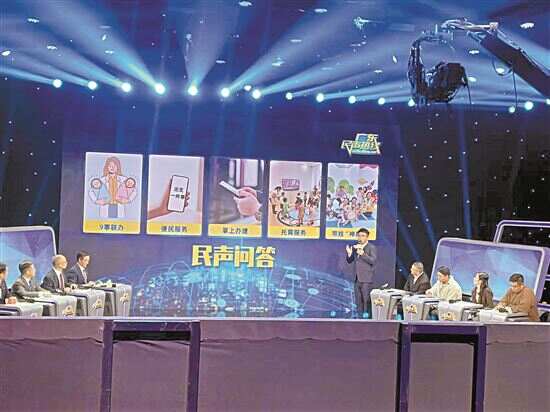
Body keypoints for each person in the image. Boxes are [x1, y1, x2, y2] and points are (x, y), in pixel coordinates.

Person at [346, 228, 377, 318]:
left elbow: (373, 261)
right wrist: (349, 254)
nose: (360, 238)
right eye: (359, 236)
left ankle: (366, 319)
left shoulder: (371, 247)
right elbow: (350, 261)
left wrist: (363, 254)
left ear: (367, 237)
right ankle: (359, 319)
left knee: (366, 301)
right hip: (357, 278)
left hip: (366, 279)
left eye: (363, 236)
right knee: (358, 301)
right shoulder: (355, 247)